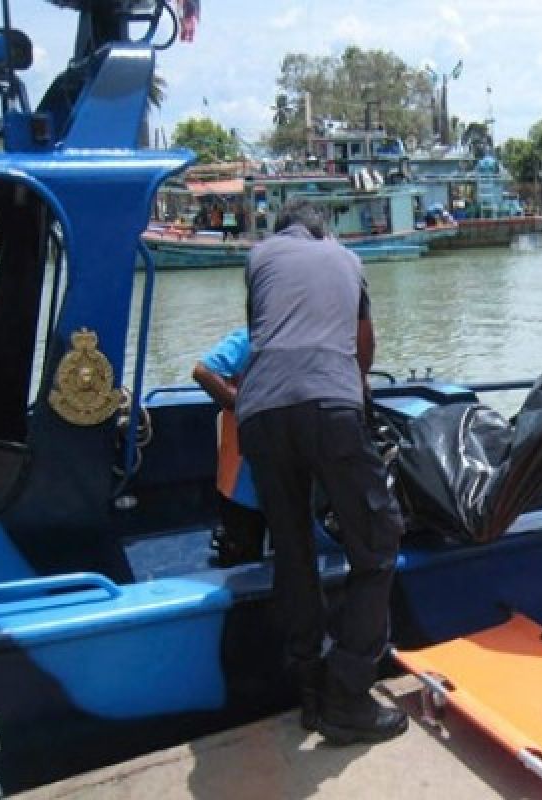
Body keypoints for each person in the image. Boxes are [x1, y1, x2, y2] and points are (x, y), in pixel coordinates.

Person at [237, 197, 408, 745]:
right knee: (377, 541)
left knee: (293, 553)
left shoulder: (258, 257)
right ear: (322, 231)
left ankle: (310, 693)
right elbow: (363, 344)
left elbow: (260, 335)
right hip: (329, 407)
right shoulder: (345, 258)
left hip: (259, 412)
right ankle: (349, 694)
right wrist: (354, 390)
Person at [191, 327, 266, 567]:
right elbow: (203, 371)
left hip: (284, 467)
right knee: (242, 552)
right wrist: (243, 404)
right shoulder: (249, 338)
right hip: (242, 475)